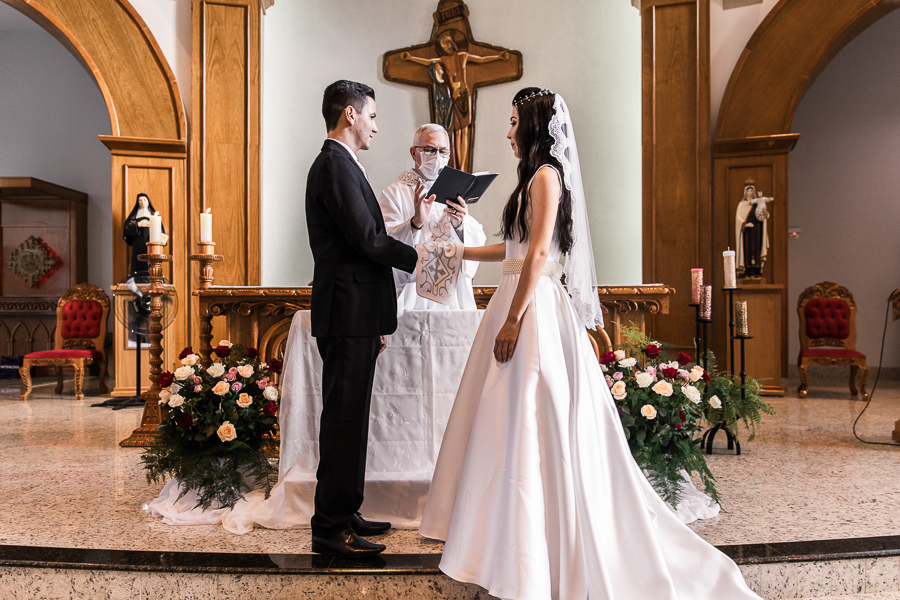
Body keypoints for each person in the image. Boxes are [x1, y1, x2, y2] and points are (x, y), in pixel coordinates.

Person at [418, 88, 762, 600]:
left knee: (532, 420)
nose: (508, 131)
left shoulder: (546, 176)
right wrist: (458, 247)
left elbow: (537, 255)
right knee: (503, 420)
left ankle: (536, 539)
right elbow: (513, 249)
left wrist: (513, 319)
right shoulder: (530, 179)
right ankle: (504, 537)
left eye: (514, 121)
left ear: (535, 125)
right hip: (515, 297)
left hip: (530, 310)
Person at [305, 80, 419, 558]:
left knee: (351, 421)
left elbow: (366, 241)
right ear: (349, 115)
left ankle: (345, 509)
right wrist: (422, 255)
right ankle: (329, 529)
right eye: (371, 115)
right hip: (345, 312)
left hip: (357, 312)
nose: (375, 125)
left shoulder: (345, 165)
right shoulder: (334, 165)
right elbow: (369, 240)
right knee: (342, 422)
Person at [378, 123, 487, 313]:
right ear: (413, 153)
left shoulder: (454, 191)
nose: (437, 157)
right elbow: (383, 244)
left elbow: (477, 240)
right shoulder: (394, 193)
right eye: (430, 150)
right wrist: (415, 223)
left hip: (454, 296)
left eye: (443, 151)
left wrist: (461, 224)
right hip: (413, 294)